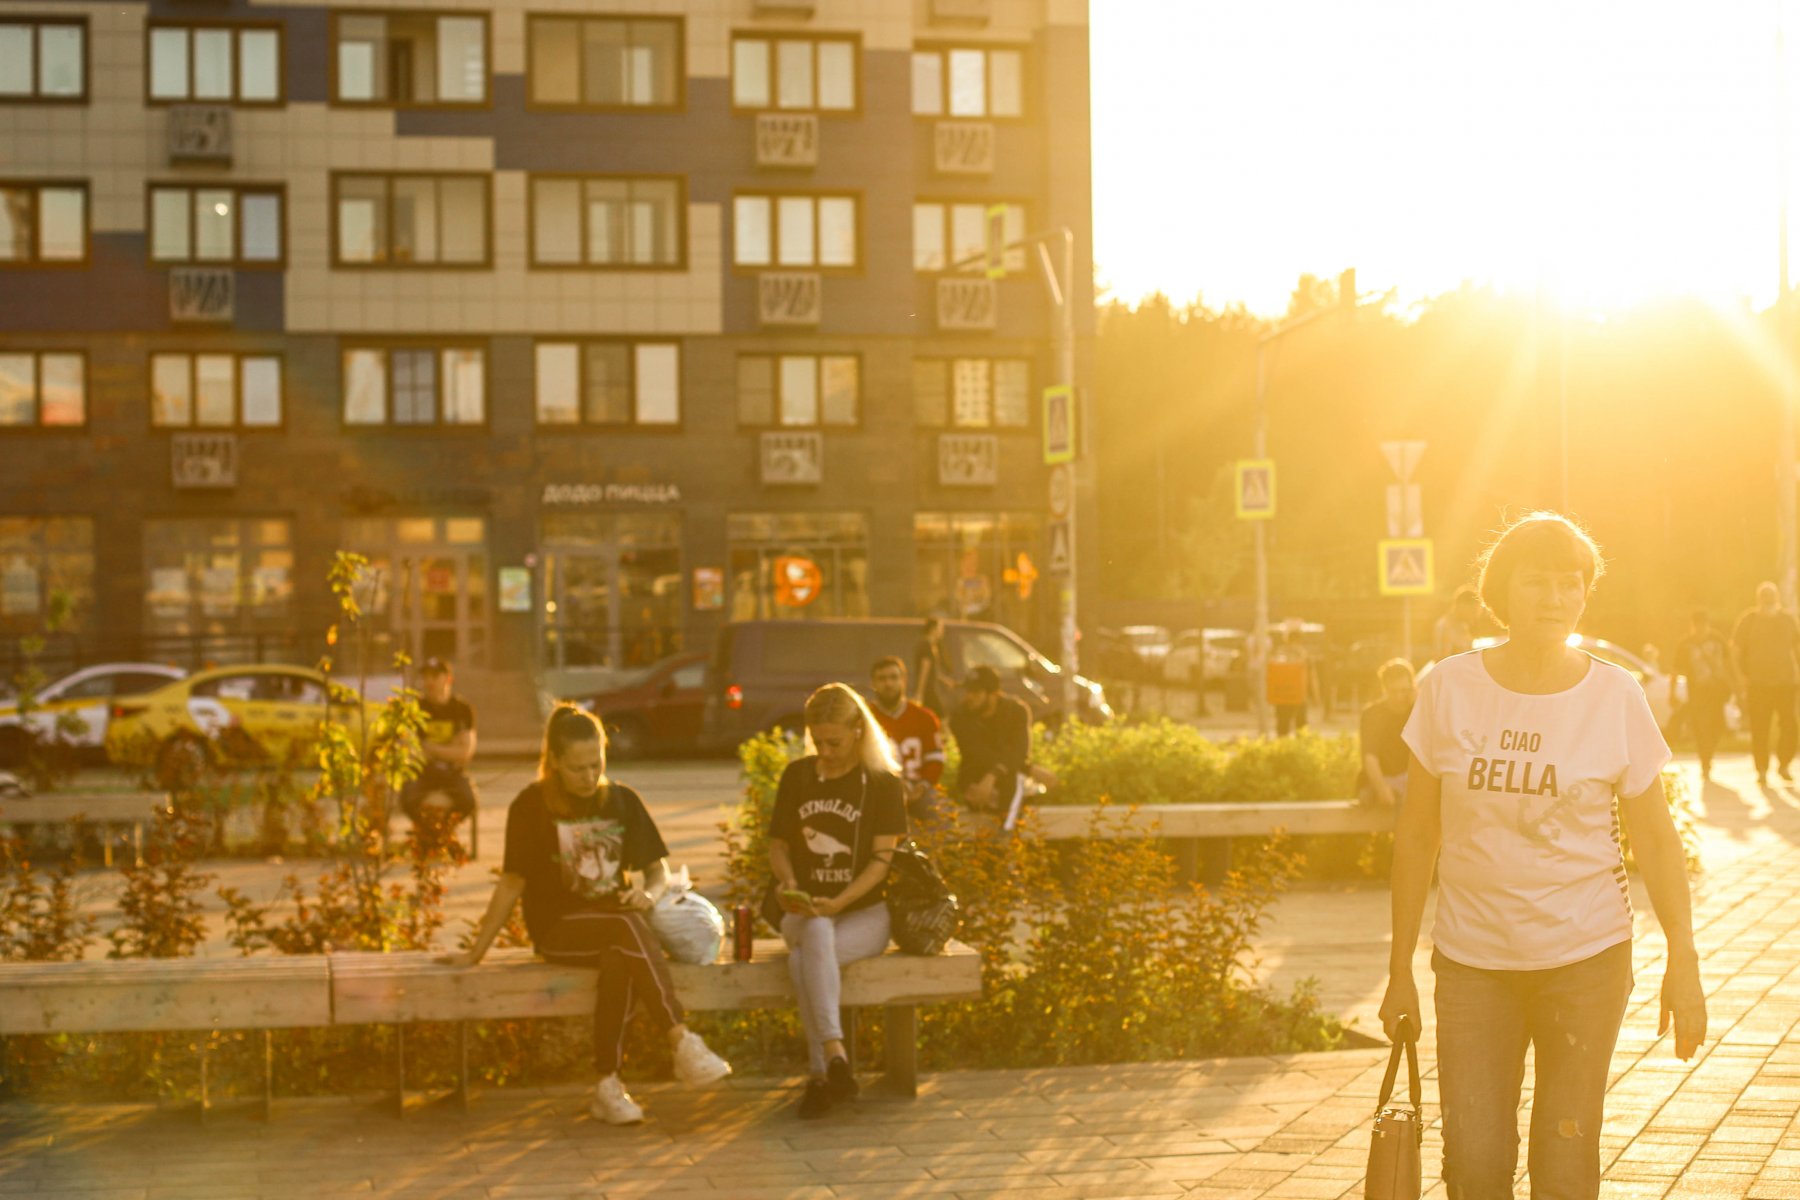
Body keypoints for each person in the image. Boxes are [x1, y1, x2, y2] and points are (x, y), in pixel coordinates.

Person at [1381, 512, 1706, 1200]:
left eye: (1571, 583)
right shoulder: (1446, 687)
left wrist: (1683, 957)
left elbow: (1654, 836)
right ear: (1502, 591)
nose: (1557, 598)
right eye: (1538, 583)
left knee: (1564, 1163)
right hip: (1473, 964)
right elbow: (1416, 835)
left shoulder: (1615, 695)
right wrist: (1398, 970)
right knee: (1473, 1164)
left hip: (1587, 961)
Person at [438, 705, 731, 1125]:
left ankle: (607, 1086)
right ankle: (680, 1037)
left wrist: (648, 895)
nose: (589, 776)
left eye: (597, 764)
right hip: (558, 928)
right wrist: (474, 954)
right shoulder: (530, 806)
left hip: (617, 929)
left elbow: (657, 871)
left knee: (620, 955)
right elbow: (511, 883)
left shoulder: (621, 800)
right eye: (577, 768)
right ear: (554, 761)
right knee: (624, 928)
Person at [767, 683, 908, 1118]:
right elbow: (778, 846)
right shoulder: (798, 775)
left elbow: (882, 862)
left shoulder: (882, 785)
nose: (824, 751)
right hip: (802, 912)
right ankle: (836, 1052)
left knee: (802, 960)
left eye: (835, 742)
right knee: (815, 929)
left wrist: (840, 899)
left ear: (859, 732)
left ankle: (822, 1075)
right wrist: (789, 883)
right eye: (817, 741)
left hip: (865, 913)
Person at [1731, 581, 1800, 785]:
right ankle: (1761, 768)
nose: (1768, 603)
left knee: (1789, 724)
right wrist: (1741, 677)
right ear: (1759, 600)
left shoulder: (1788, 620)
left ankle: (1784, 764)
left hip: (1786, 682)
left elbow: (1797, 648)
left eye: (1771, 599)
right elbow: (1735, 651)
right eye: (1765, 599)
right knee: (1759, 727)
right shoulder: (1749, 620)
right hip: (1758, 683)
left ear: (1776, 599)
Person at [399, 657, 478, 827]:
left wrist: (430, 747)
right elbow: (412, 750)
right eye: (426, 677)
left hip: (452, 772)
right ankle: (427, 833)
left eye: (435, 676)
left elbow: (465, 752)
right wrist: (451, 748)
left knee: (468, 801)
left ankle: (444, 833)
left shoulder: (462, 709)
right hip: (423, 772)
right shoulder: (415, 709)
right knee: (408, 799)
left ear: (448, 679)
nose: (429, 681)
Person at [868, 656, 945, 821]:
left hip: (918, 789)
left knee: (942, 818)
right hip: (879, 791)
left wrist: (923, 786)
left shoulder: (925, 717)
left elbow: (935, 758)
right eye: (882, 679)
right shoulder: (865, 718)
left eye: (894, 677)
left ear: (904, 681)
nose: (888, 683)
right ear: (873, 683)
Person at [951, 665, 1033, 811]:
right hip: (974, 772)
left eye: (976, 692)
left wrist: (993, 774)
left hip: (1008, 774)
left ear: (994, 694)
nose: (969, 697)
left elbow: (1020, 751)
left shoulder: (1016, 711)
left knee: (1013, 781)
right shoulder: (960, 716)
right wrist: (1029, 768)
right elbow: (976, 753)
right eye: (968, 691)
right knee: (973, 782)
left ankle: (1008, 828)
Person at [1672, 609, 1732, 783]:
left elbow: (1729, 664)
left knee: (1717, 725)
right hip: (1696, 692)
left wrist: (1736, 686)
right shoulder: (1685, 644)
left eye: (1703, 625)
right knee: (1700, 726)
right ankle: (1705, 761)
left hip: (1716, 691)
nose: (1700, 629)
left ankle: (1709, 753)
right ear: (1693, 626)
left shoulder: (1717, 640)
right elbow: (1675, 670)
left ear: (1708, 624)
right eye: (1697, 625)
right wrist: (1672, 692)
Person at [1357, 658, 1415, 809]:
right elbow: (1370, 757)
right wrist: (1381, 787)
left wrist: (1418, 706)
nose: (1398, 697)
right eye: (1393, 691)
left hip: (1409, 781)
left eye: (1404, 690)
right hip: (1378, 780)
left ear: (1412, 688)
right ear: (1384, 688)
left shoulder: (1417, 711)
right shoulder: (1372, 714)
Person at [1266, 625, 1317, 737]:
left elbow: (1271, 674)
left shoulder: (1279, 653)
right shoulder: (1304, 654)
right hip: (1299, 694)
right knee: (1301, 724)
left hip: (1281, 693)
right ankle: (1299, 748)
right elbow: (1311, 677)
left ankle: (1282, 747)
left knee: (1282, 724)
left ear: (1287, 639)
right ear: (1300, 639)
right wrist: (1315, 696)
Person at [912, 618, 950, 720]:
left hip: (932, 687)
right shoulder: (926, 645)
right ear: (933, 629)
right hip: (929, 690)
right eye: (940, 628)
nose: (942, 631)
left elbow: (934, 670)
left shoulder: (932, 645)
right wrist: (920, 692)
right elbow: (925, 668)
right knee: (942, 715)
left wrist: (944, 680)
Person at [1434, 585, 1482, 661]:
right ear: (1461, 605)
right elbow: (1442, 660)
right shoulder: (1444, 627)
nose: (1475, 617)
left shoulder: (1464, 626)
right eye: (1473, 611)